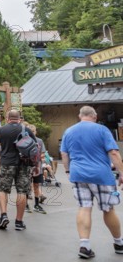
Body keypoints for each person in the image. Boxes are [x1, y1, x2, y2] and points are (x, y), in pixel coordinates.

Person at [61, 106, 123, 259]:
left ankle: (85, 245)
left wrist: (68, 171)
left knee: (84, 208)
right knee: (108, 209)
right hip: (101, 176)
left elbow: (64, 153)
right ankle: (119, 243)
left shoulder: (69, 131)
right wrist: (122, 172)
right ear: (94, 116)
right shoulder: (102, 130)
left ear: (79, 116)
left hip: (78, 175)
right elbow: (114, 152)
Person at [0, 110, 36, 231]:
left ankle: (4, 215)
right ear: (19, 119)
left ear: (7, 118)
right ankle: (19, 221)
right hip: (24, 164)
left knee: (3, 190)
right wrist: (35, 165)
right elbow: (35, 147)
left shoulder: (1, 130)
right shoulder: (27, 130)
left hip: (7, 163)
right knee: (22, 191)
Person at [27, 125, 47, 214]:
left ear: (36, 132)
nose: (32, 133)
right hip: (27, 166)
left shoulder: (39, 141)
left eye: (33, 131)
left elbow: (43, 153)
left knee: (36, 185)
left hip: (37, 166)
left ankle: (36, 204)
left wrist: (37, 157)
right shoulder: (24, 141)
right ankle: (26, 204)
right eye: (30, 131)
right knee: (26, 186)